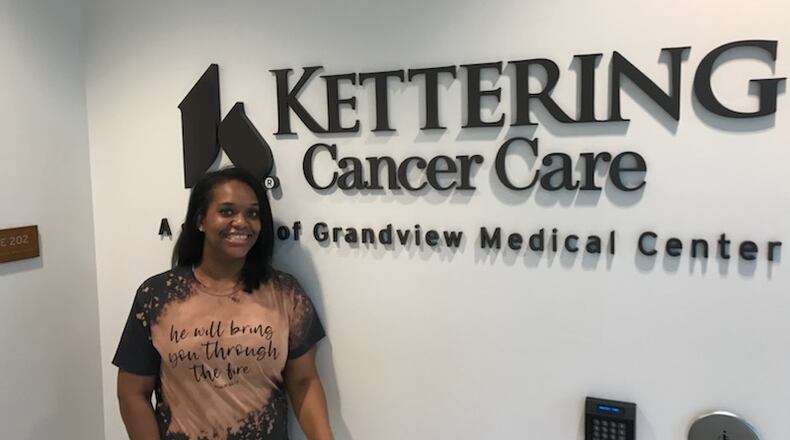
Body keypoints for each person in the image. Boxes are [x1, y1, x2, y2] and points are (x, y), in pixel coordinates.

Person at [113, 167, 333, 440]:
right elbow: (132, 393)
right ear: (201, 220)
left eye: (253, 213)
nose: (242, 222)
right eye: (227, 211)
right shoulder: (157, 295)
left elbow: (303, 382)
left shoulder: (286, 293)